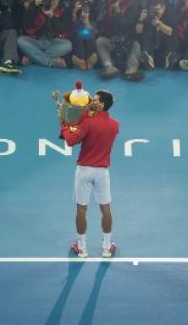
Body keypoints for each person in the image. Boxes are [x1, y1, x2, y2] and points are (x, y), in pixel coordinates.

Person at [61, 89, 120, 259]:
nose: (91, 101)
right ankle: (107, 247)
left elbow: (71, 141)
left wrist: (65, 126)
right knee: (106, 209)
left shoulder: (88, 122)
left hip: (84, 171)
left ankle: (81, 248)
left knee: (81, 209)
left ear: (101, 104)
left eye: (95, 99)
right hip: (102, 172)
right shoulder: (115, 125)